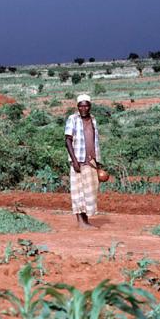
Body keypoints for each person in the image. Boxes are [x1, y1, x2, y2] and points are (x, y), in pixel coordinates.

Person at [64, 94, 101, 228]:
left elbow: (95, 141)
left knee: (89, 191)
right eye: (81, 106)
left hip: (91, 161)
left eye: (86, 105)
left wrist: (98, 161)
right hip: (78, 161)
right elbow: (67, 140)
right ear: (77, 107)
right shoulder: (72, 119)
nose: (83, 108)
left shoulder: (93, 120)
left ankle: (85, 220)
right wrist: (74, 161)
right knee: (78, 191)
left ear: (90, 106)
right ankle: (81, 222)